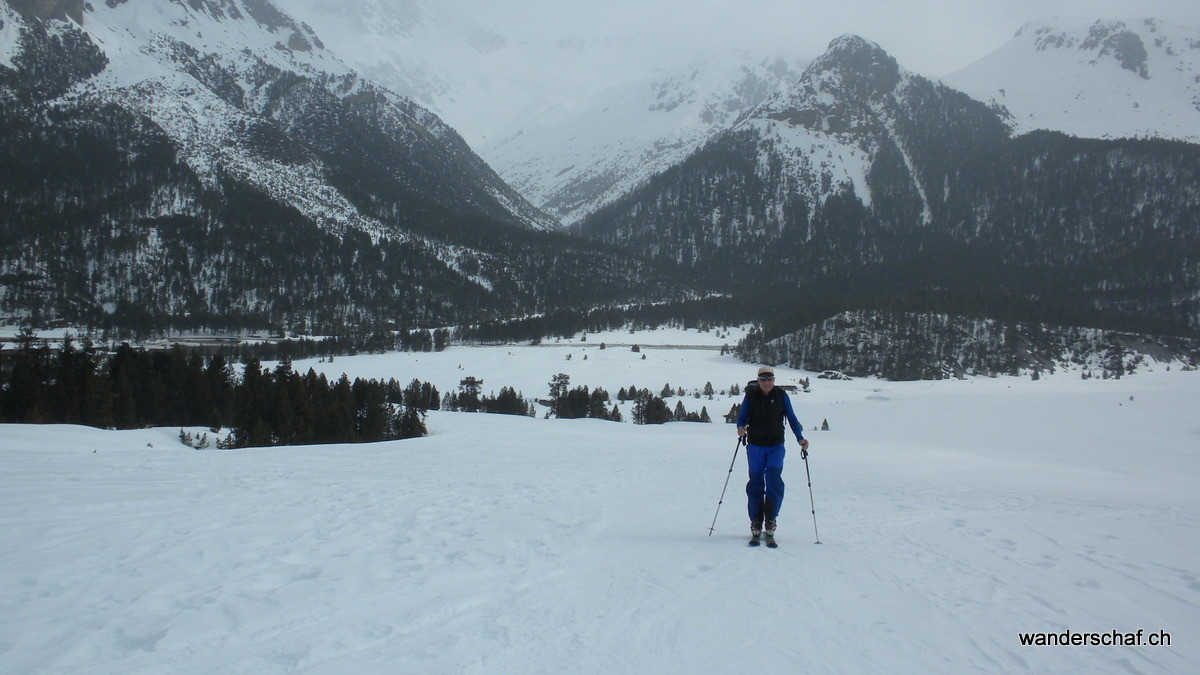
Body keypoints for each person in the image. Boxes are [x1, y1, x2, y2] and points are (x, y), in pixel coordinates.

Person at [736, 365, 808, 543]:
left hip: (776, 445)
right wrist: (740, 427)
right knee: (756, 483)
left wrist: (800, 438)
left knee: (774, 480)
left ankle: (770, 519)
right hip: (755, 446)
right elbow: (742, 416)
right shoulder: (751, 396)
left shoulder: (781, 396)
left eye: (769, 379)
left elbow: (791, 418)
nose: (766, 383)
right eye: (763, 379)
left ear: (774, 381)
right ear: (758, 380)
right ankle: (756, 521)